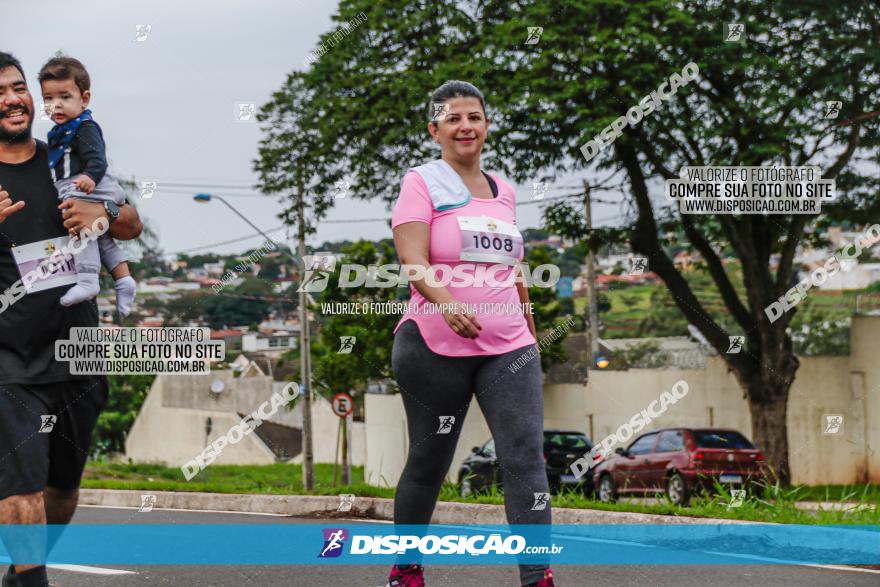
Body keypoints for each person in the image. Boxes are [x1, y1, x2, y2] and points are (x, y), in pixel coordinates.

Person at [387, 80, 555, 587]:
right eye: (454, 118)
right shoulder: (422, 182)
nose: (466, 126)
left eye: (475, 117)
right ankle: (407, 568)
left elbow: (513, 268)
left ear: (486, 125)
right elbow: (412, 259)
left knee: (525, 455)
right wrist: (449, 303)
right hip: (434, 346)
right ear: (434, 128)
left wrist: (530, 328)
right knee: (429, 462)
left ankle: (537, 577)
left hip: (507, 347)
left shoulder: (504, 191)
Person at [0, 51, 143, 587]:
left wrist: (103, 214)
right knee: (21, 485)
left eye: (17, 88)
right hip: (9, 357)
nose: (13, 100)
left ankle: (21, 572)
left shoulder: (68, 152)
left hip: (78, 347)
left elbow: (130, 223)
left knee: (62, 488)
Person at [38, 54, 136, 317]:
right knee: (100, 238)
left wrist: (90, 178)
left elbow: (97, 157)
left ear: (85, 98)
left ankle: (88, 280)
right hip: (84, 184)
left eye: (64, 97)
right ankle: (124, 280)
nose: (55, 105)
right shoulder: (63, 129)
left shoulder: (84, 126)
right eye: (48, 99)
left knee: (79, 227)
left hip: (91, 186)